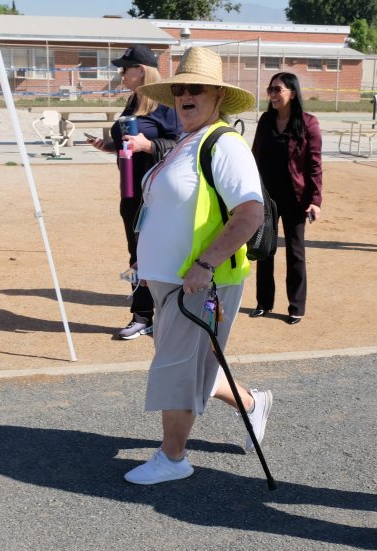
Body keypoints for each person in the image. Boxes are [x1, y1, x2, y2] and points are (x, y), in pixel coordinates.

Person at [120, 46, 272, 485]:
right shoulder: (188, 140)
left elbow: (250, 213)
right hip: (170, 281)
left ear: (217, 97)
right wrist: (143, 253)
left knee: (177, 367)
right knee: (189, 363)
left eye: (197, 88)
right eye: (181, 88)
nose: (186, 94)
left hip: (198, 283)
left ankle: (174, 458)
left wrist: (205, 264)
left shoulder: (224, 143)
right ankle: (252, 403)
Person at [91, 45, 181, 340]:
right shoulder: (134, 102)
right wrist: (108, 145)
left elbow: (179, 145)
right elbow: (128, 141)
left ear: (141, 71)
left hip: (156, 196)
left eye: (125, 68)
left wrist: (149, 146)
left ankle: (160, 314)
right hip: (130, 193)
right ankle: (142, 317)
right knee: (136, 255)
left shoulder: (167, 106)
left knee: (158, 255)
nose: (121, 74)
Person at [249, 72, 322, 325]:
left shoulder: (308, 123)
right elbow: (254, 156)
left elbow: (314, 165)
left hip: (295, 197)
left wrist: (315, 199)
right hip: (266, 196)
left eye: (277, 89)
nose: (272, 94)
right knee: (264, 248)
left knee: (295, 251)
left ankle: (296, 306)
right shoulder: (266, 120)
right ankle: (264, 302)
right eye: (270, 90)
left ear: (292, 92)